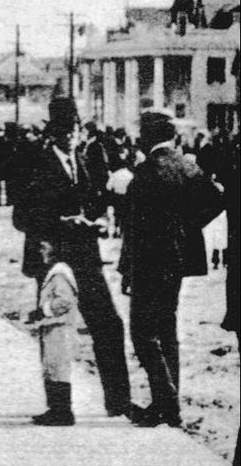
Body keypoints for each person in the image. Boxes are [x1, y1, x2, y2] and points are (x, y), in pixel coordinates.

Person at [11, 97, 134, 419]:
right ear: (53, 132)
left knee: (108, 324)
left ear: (80, 131)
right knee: (55, 329)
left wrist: (98, 218)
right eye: (63, 130)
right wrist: (60, 222)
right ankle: (60, 407)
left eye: (74, 129)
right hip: (53, 258)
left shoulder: (83, 159)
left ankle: (118, 402)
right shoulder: (34, 161)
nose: (69, 135)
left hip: (85, 255)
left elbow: (92, 202)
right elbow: (21, 216)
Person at [119, 111, 225, 429]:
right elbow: (217, 200)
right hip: (178, 262)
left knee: (142, 333)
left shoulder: (145, 173)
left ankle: (166, 403)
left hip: (149, 262)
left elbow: (133, 230)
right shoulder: (188, 166)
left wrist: (127, 269)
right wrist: (187, 228)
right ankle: (169, 403)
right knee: (167, 331)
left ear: (148, 138)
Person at [27, 244, 80, 426]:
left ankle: (62, 411)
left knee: (58, 368)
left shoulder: (60, 274)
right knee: (51, 366)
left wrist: (44, 310)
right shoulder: (55, 272)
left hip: (60, 327)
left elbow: (65, 301)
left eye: (44, 247)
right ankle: (54, 408)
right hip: (52, 327)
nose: (40, 251)